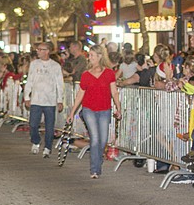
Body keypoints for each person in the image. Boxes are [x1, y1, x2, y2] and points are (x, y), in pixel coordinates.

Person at [67, 45, 121, 179]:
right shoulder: (86, 75)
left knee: (103, 140)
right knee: (95, 138)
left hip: (104, 109)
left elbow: (114, 92)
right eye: (89, 55)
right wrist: (72, 112)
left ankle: (98, 159)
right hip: (89, 109)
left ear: (99, 56)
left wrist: (119, 108)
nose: (89, 58)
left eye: (92, 55)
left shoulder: (109, 73)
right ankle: (95, 169)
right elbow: (80, 94)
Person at [23, 42, 64, 157]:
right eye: (38, 49)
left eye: (41, 49)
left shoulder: (55, 66)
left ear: (47, 51)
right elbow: (30, 80)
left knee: (49, 126)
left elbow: (59, 84)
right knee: (33, 124)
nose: (38, 51)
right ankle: (36, 141)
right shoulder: (34, 64)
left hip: (50, 100)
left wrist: (60, 100)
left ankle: (47, 147)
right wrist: (27, 96)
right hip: (36, 99)